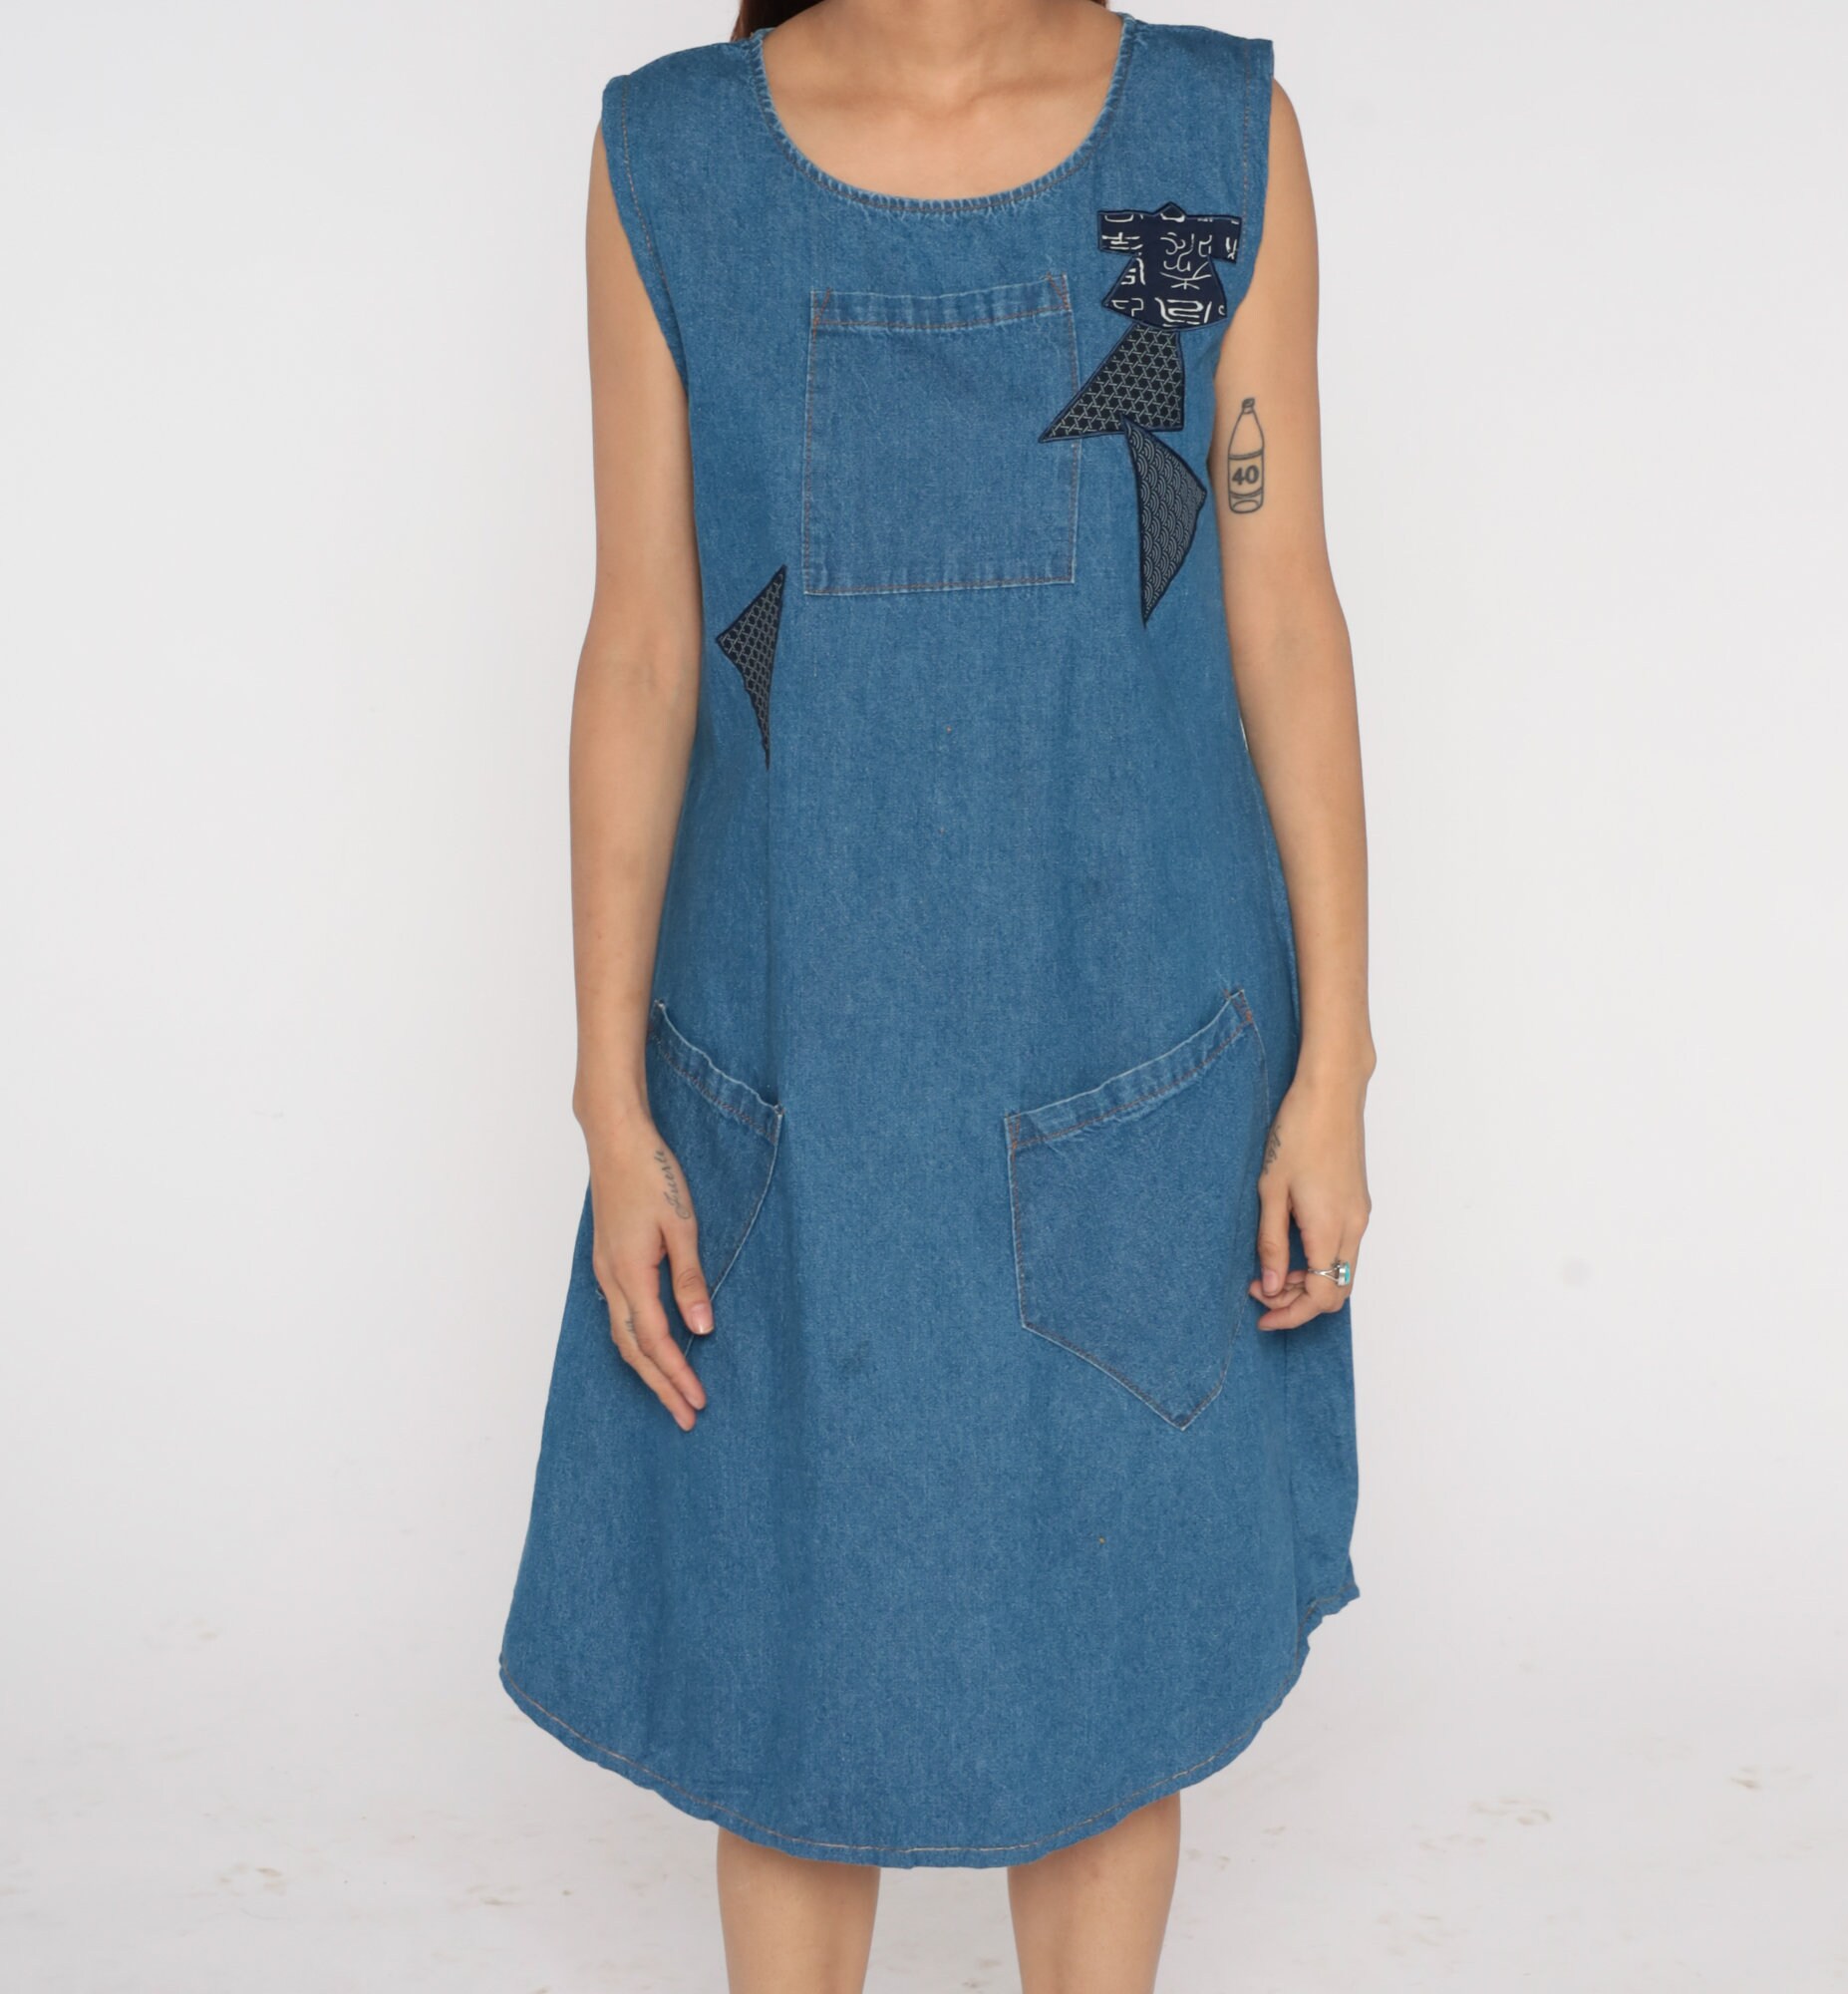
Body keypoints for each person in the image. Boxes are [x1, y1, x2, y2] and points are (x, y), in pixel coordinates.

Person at [499, 2, 1373, 1986]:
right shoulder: (673, 161)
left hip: (1137, 1048)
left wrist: (1338, 1061)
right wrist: (608, 1099)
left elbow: (1283, 607)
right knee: (794, 1685)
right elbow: (643, 644)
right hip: (792, 1069)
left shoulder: (1212, 139)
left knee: (1111, 1668)